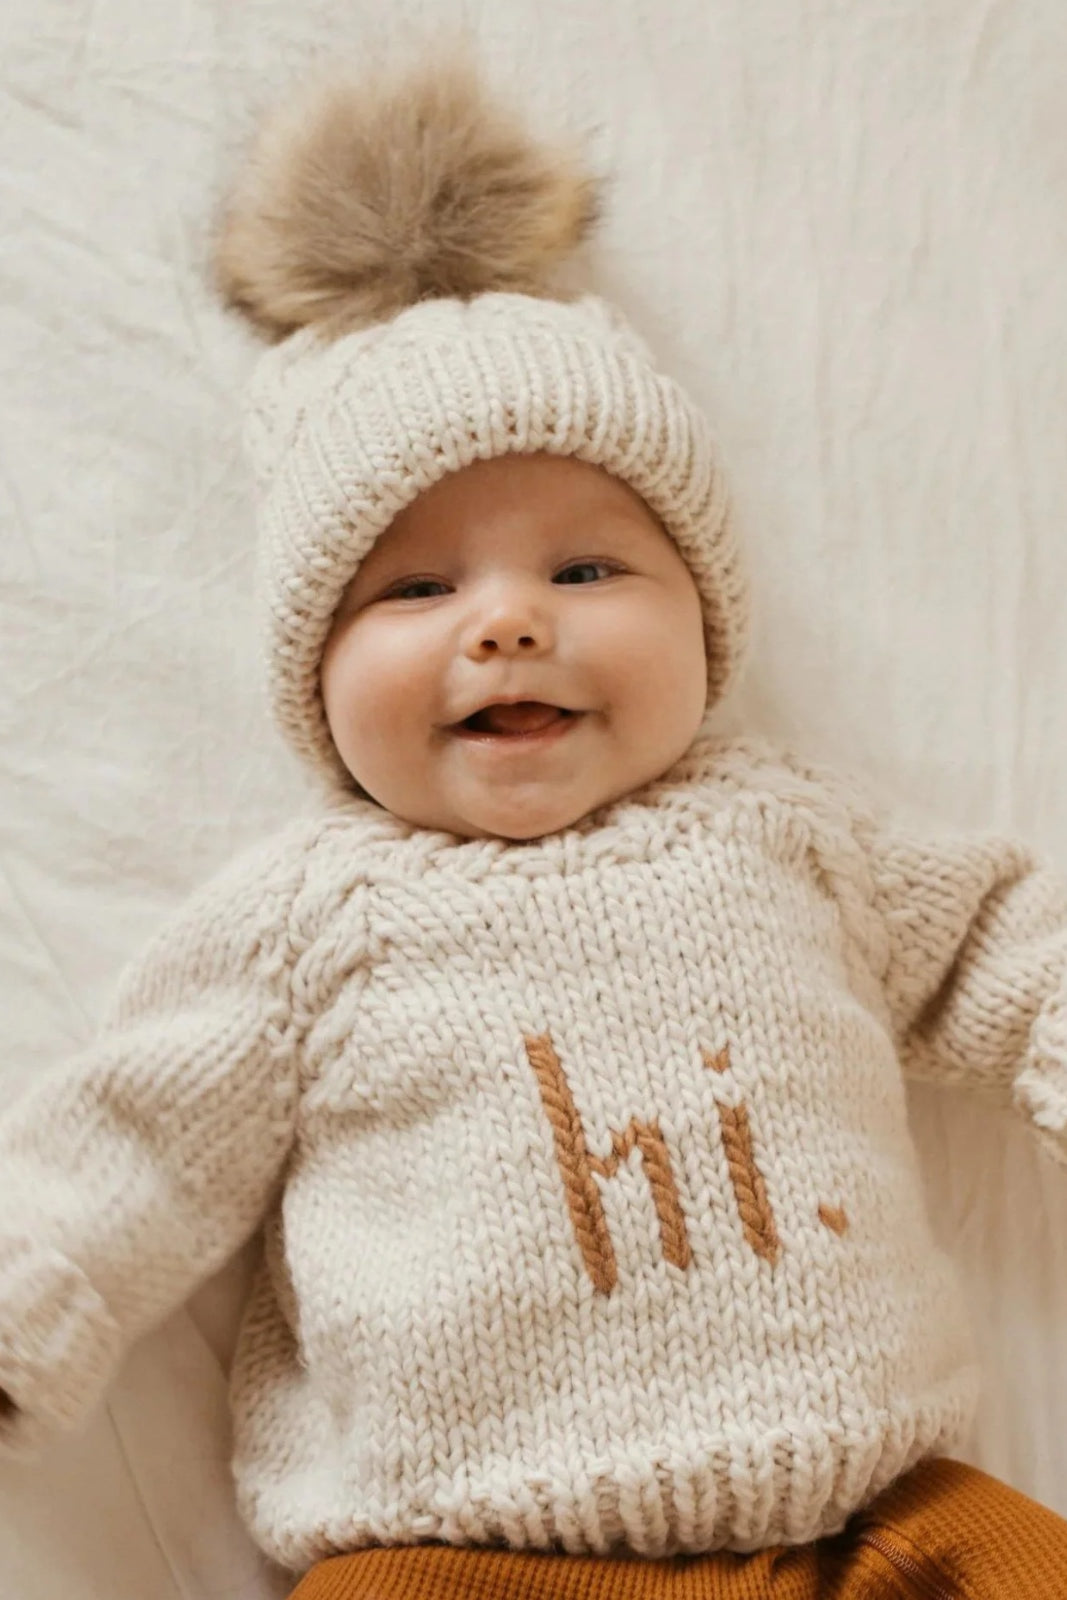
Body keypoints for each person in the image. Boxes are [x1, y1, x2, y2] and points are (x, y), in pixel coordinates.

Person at [2, 44, 1067, 1600]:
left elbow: (995, 945)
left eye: (585, 571)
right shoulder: (314, 921)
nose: (506, 624)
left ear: (704, 619)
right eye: (416, 588)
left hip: (864, 1524)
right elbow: (135, 1139)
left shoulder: (793, 838)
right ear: (312, 670)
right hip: (456, 1555)